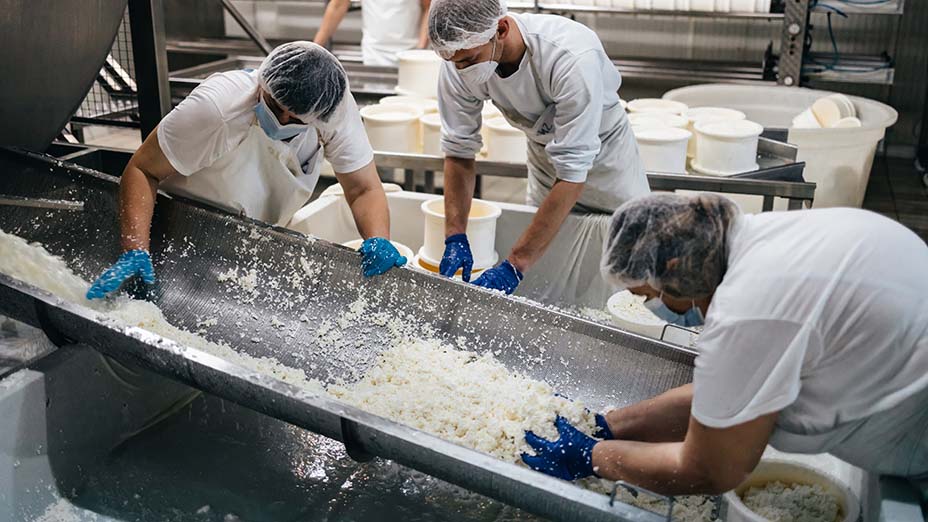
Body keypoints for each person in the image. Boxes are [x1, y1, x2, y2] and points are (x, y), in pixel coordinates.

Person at [521, 193, 928, 498]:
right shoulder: (762, 239)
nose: (651, 307)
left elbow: (710, 469)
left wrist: (596, 457)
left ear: (676, 270)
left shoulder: (750, 306)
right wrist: (610, 425)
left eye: (650, 295)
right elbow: (728, 397)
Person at [86, 42, 405, 299]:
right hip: (179, 228)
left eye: (294, 119)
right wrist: (134, 251)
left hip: (260, 235)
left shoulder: (334, 112)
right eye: (274, 104)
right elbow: (142, 169)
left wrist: (378, 240)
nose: (281, 120)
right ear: (263, 83)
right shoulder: (216, 107)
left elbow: (364, 188)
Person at [427, 0, 648, 303]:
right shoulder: (459, 60)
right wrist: (454, 234)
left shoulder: (570, 56)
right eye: (454, 62)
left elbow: (572, 173)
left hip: (607, 161)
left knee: (630, 254)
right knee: (550, 262)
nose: (460, 70)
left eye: (468, 60)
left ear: (501, 30)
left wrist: (514, 265)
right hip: (545, 158)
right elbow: (459, 150)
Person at [313, 0, 431, 67]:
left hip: (410, 56)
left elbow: (428, 7)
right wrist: (313, 50)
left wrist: (419, 50)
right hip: (374, 56)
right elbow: (337, 6)